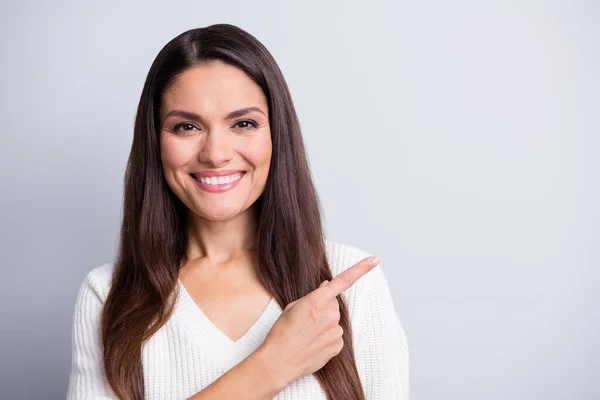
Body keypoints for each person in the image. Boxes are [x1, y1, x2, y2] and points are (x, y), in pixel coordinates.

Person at [66, 23, 409, 400]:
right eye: (186, 126)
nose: (215, 153)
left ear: (277, 134)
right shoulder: (108, 294)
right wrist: (273, 365)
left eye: (243, 123)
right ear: (156, 143)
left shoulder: (352, 286)